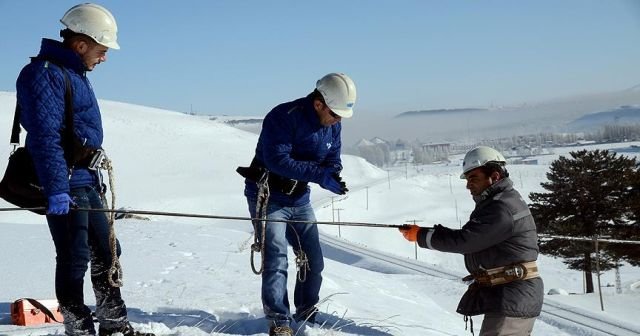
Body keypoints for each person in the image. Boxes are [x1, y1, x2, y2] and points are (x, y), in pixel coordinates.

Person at [16, 4, 152, 336]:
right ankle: (79, 328)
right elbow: (46, 136)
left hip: (86, 179)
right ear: (81, 44)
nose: (104, 57)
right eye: (102, 50)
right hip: (66, 181)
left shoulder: (73, 73)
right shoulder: (45, 74)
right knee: (75, 255)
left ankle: (114, 323)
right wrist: (57, 188)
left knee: (108, 251)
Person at [239, 73, 356, 336]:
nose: (337, 120)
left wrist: (332, 173)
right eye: (335, 114)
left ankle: (306, 309)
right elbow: (277, 160)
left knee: (313, 260)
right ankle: (279, 320)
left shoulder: (334, 124)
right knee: (276, 258)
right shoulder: (283, 116)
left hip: (299, 198)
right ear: (319, 104)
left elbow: (333, 158)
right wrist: (319, 175)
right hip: (268, 196)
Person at [399, 146, 544, 336]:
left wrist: (421, 236)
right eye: (467, 179)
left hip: (512, 295)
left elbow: (466, 241)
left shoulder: (501, 207)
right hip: (510, 294)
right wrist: (426, 233)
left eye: (473, 178)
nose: (468, 185)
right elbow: (472, 234)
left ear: (495, 176)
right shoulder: (500, 201)